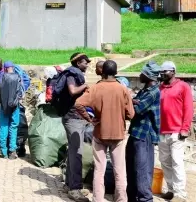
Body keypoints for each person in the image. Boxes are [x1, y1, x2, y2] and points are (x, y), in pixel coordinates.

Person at [75, 60, 135, 202]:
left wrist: (90, 119)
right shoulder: (123, 89)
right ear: (115, 73)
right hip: (118, 135)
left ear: (102, 71)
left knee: (99, 170)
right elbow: (131, 114)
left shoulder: (96, 88)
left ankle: (98, 199)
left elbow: (78, 104)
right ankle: (121, 199)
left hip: (100, 133)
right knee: (120, 171)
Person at [158, 61, 194, 202]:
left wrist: (185, 128)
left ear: (173, 71)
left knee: (177, 162)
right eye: (162, 71)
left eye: (165, 71)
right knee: (165, 162)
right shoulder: (160, 88)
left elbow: (189, 108)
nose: (162, 73)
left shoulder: (183, 87)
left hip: (177, 131)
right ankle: (171, 189)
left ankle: (180, 194)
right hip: (162, 131)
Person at [126, 61, 161, 202]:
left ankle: (145, 199)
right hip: (136, 133)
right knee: (131, 168)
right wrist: (133, 101)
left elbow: (137, 109)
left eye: (142, 73)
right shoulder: (145, 90)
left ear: (148, 76)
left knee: (142, 170)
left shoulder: (153, 92)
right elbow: (135, 102)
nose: (139, 75)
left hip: (144, 135)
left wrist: (132, 102)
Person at [60, 52, 91, 202]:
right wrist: (85, 86)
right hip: (72, 118)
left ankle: (69, 184)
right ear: (78, 62)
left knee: (73, 152)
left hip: (74, 117)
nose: (87, 64)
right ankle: (75, 189)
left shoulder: (74, 73)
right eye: (85, 62)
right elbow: (72, 91)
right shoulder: (72, 75)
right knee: (77, 153)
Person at [0, 61, 22, 159]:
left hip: (4, 106)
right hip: (15, 106)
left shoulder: (3, 77)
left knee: (3, 127)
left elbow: (0, 91)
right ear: (13, 67)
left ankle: (3, 151)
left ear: (5, 68)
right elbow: (20, 93)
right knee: (13, 127)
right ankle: (12, 151)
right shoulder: (18, 77)